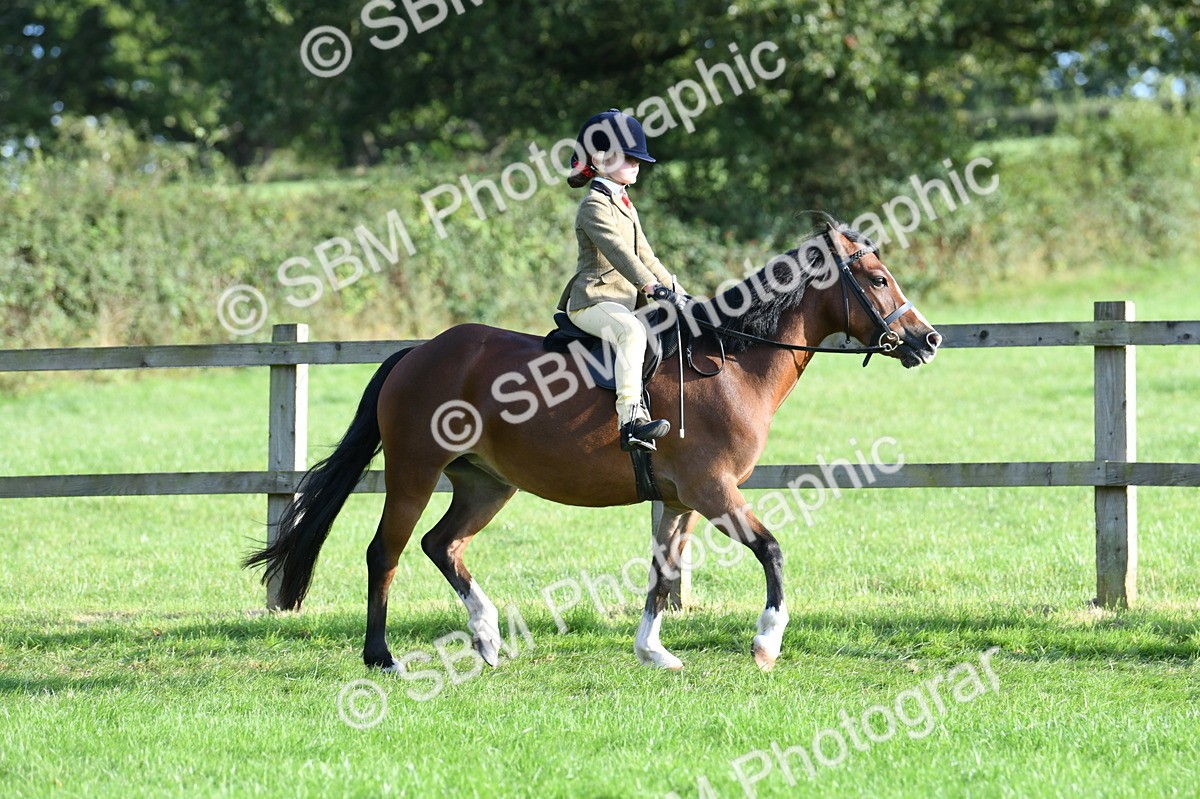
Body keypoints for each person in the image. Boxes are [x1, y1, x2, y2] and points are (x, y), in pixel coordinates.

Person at [556, 109, 692, 452]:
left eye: (637, 158)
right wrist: (651, 287)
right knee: (631, 331)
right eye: (628, 158)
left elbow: (647, 256)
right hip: (592, 301)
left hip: (623, 303)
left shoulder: (626, 205)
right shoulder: (593, 206)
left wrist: (680, 294)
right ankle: (630, 420)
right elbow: (620, 254)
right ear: (600, 160)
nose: (637, 163)